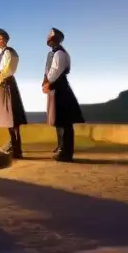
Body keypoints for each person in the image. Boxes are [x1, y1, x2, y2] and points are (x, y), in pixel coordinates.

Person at [42, 27, 84, 162]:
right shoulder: (54, 53)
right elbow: (49, 71)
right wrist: (46, 83)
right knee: (58, 121)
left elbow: (56, 72)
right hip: (56, 87)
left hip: (60, 87)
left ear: (55, 39)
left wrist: (49, 83)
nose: (48, 38)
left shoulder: (60, 53)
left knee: (64, 121)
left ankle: (65, 151)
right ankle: (61, 147)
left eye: (50, 37)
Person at [0, 28, 27, 159]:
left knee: (13, 119)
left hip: (7, 87)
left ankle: (17, 149)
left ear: (5, 39)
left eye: (0, 39)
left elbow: (8, 70)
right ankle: (13, 145)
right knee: (8, 119)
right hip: (2, 87)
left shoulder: (9, 52)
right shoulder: (0, 53)